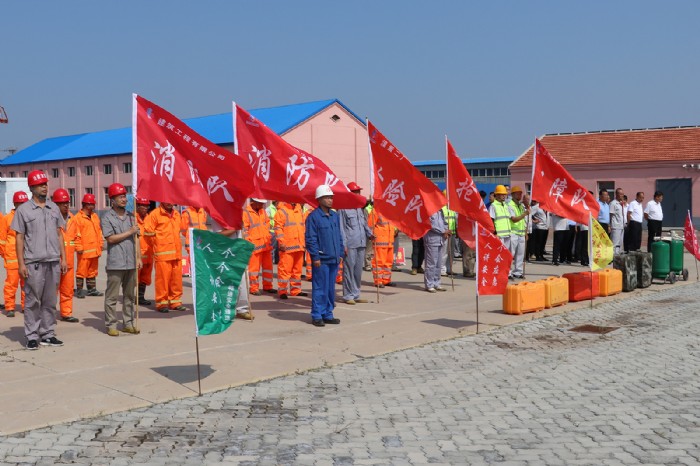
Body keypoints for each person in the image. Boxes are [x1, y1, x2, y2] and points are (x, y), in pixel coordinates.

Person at [12, 170, 67, 350]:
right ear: (31, 188)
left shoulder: (54, 208)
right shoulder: (23, 210)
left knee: (50, 301)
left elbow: (59, 234)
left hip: (53, 261)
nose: (44, 187)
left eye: (45, 184)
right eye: (40, 185)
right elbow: (19, 237)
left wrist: (64, 258)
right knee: (33, 301)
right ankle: (32, 336)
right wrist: (21, 263)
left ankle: (48, 334)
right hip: (33, 263)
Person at [101, 183, 141, 336]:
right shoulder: (107, 218)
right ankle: (111, 324)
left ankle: (128, 323)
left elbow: (137, 238)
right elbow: (110, 239)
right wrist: (129, 231)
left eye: (124, 196)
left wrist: (139, 257)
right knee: (112, 296)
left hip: (131, 262)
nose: (124, 199)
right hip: (116, 263)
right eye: (120, 197)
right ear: (112, 200)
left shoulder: (131, 217)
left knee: (129, 296)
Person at [305, 185, 343, 327]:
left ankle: (328, 313)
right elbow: (311, 239)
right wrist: (315, 256)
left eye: (331, 197)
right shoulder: (313, 217)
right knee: (320, 288)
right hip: (321, 260)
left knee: (330, 289)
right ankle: (317, 315)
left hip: (334, 258)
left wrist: (340, 252)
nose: (330, 200)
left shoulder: (334, 216)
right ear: (319, 199)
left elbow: (339, 236)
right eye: (327, 197)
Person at [143, 202, 185, 312]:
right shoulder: (155, 214)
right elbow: (147, 233)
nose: (169, 203)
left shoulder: (177, 214)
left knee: (176, 280)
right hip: (162, 254)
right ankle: (162, 303)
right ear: (161, 201)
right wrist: (157, 244)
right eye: (167, 200)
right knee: (162, 280)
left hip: (176, 254)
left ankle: (175, 302)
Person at [338, 182, 373, 305]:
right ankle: (348, 295)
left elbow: (364, 224)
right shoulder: (343, 208)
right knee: (349, 270)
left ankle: (356, 294)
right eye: (356, 192)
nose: (358, 194)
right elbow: (341, 228)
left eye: (359, 191)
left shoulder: (360, 208)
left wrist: (370, 233)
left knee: (358, 271)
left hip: (361, 242)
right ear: (350, 194)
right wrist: (344, 244)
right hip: (350, 243)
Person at [53, 189, 80, 322]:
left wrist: (79, 248)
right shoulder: (51, 219)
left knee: (67, 289)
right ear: (55, 204)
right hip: (54, 262)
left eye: (67, 203)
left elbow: (77, 236)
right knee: (52, 291)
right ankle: (49, 315)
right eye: (62, 203)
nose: (65, 205)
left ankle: (66, 313)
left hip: (69, 261)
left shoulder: (72, 219)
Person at [0, 192, 29, 317]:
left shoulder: (29, 217)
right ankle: (10, 307)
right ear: (15, 204)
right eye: (20, 203)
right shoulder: (7, 219)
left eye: (24, 203)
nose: (22, 206)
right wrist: (5, 253)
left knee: (26, 284)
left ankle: (26, 306)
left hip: (27, 257)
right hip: (12, 257)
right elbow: (2, 239)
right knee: (11, 284)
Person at [274, 201, 308, 299]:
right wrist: (281, 242)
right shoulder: (282, 211)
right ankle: (282, 291)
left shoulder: (299, 210)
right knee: (285, 270)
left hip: (299, 246)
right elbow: (278, 228)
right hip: (287, 247)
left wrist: (304, 241)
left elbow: (302, 227)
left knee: (297, 271)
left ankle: (295, 290)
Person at [242, 198, 276, 296]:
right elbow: (245, 230)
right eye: (260, 204)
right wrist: (249, 243)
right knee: (254, 269)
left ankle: (268, 286)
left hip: (265, 244)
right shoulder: (246, 213)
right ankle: (254, 288)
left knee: (268, 267)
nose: (262, 205)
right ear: (254, 202)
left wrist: (268, 237)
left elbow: (267, 224)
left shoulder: (262, 211)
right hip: (255, 246)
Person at [74, 193, 103, 298]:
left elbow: (99, 232)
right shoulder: (78, 218)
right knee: (81, 271)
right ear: (86, 205)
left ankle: (92, 290)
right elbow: (76, 234)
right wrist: (78, 247)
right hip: (84, 251)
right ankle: (79, 290)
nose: (94, 206)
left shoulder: (95, 216)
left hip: (95, 250)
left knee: (92, 271)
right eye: (92, 204)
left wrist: (100, 245)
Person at [368, 208, 396, 287]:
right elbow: (370, 226)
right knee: (379, 262)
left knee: (388, 262)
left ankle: (386, 280)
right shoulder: (375, 211)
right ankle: (378, 281)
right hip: (380, 241)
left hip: (390, 241)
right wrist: (371, 236)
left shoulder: (390, 210)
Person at [423, 209, 449, 293]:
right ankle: (429, 284)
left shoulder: (440, 211)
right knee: (431, 263)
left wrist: (447, 230)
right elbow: (431, 225)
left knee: (438, 263)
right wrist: (443, 231)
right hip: (432, 239)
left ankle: (437, 283)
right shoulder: (429, 210)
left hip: (441, 240)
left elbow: (444, 222)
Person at [507, 186, 529, 279]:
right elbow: (514, 219)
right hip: (513, 233)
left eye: (520, 193)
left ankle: (518, 271)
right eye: (517, 193)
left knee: (520, 254)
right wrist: (524, 214)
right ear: (512, 194)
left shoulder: (521, 206)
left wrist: (525, 233)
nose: (519, 195)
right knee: (511, 254)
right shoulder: (510, 205)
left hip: (521, 233)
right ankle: (508, 272)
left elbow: (524, 221)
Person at [135, 197, 153, 305]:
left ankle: (140, 297)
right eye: (143, 205)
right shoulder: (132, 219)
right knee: (134, 278)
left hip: (149, 253)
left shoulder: (150, 219)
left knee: (145, 277)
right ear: (137, 206)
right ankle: (132, 297)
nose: (145, 208)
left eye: (147, 206)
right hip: (137, 255)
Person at [489, 185, 511, 249]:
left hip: (507, 234)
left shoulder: (505, 205)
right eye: (502, 194)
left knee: (506, 253)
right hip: (499, 236)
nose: (504, 196)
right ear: (497, 195)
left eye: (505, 194)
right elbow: (491, 221)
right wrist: (495, 234)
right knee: (500, 253)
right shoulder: (493, 206)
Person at [609, 188, 625, 255]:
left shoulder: (621, 203)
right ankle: (612, 256)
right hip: (615, 226)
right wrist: (609, 225)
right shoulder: (613, 203)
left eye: (622, 194)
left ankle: (618, 255)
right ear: (616, 194)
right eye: (620, 194)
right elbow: (611, 215)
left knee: (620, 243)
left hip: (621, 226)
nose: (622, 195)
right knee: (615, 243)